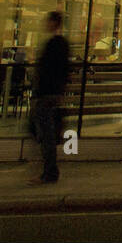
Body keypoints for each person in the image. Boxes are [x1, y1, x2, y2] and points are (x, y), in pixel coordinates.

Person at [28, 11, 70, 185]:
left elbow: (49, 71)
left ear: (54, 23)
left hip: (47, 93)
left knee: (46, 134)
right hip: (53, 92)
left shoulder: (54, 44)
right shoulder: (62, 44)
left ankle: (50, 171)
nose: (45, 24)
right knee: (46, 132)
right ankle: (49, 169)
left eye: (48, 21)